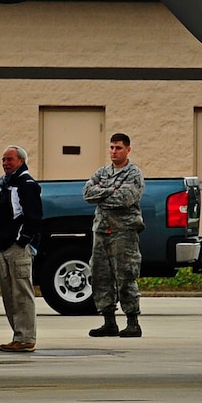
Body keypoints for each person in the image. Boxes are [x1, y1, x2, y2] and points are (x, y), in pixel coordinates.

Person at [84, 132, 145, 339]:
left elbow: (125, 199)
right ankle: (108, 321)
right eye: (111, 147)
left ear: (127, 149)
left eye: (118, 148)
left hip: (123, 232)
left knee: (125, 275)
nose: (114, 151)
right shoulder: (102, 172)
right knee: (100, 276)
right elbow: (87, 193)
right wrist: (111, 190)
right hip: (101, 231)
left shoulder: (134, 173)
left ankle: (132, 322)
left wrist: (102, 193)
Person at [0, 145, 44, 352]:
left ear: (21, 161)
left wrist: (22, 241)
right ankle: (18, 335)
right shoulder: (7, 184)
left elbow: (34, 217)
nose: (5, 163)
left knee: (22, 293)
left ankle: (25, 338)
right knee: (9, 294)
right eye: (4, 160)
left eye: (10, 160)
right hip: (4, 247)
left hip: (17, 249)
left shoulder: (26, 184)